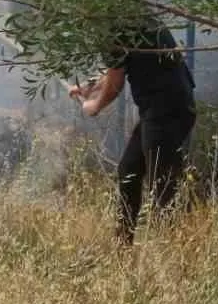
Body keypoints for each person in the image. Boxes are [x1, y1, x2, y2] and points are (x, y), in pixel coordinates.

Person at [69, 14, 196, 244]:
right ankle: (122, 249)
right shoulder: (131, 16)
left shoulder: (112, 27)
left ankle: (173, 258)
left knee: (163, 187)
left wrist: (94, 105)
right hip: (163, 109)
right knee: (128, 171)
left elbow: (115, 84)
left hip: (166, 111)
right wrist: (91, 87)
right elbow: (122, 64)